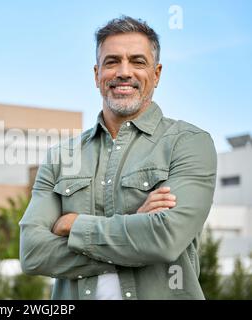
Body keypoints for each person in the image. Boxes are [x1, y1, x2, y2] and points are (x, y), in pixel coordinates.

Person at [19, 16, 217, 300]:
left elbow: (165, 239)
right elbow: (33, 253)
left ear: (157, 74)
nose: (124, 72)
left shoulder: (188, 143)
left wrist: (74, 224)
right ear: (97, 73)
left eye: (137, 61)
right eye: (112, 62)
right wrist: (135, 229)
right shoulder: (61, 157)